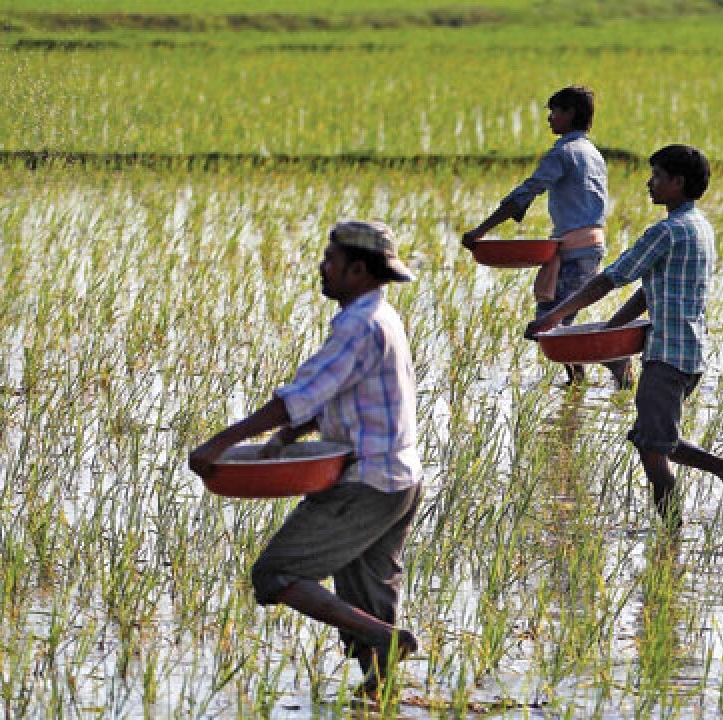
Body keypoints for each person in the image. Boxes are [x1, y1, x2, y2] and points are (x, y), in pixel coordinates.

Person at [188, 220, 422, 699]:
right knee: (368, 598)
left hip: (366, 482)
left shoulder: (359, 326)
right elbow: (330, 401)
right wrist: (286, 437)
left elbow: (298, 396)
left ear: (358, 270)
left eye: (331, 260)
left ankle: (385, 640)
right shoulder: (380, 317)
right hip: (398, 479)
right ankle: (381, 695)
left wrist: (219, 444)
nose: (323, 267)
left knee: (275, 574)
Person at [525, 144, 723, 526]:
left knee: (652, 446)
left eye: (658, 177)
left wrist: (553, 318)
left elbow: (609, 278)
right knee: (657, 438)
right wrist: (610, 329)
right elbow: (651, 290)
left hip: (666, 356)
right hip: (688, 352)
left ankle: (675, 529)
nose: (650, 184)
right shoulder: (699, 226)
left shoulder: (666, 231)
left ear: (678, 183)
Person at [462, 85, 633, 390]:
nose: (550, 119)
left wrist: (481, 231)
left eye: (555, 112)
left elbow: (527, 192)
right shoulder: (592, 152)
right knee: (559, 316)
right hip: (588, 244)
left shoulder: (563, 152)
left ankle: (612, 358)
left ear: (571, 114)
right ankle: (577, 381)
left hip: (577, 247)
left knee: (552, 319)